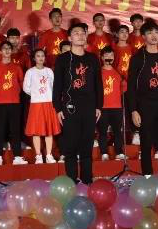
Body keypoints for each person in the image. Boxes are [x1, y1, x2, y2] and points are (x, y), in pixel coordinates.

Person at [53, 23, 103, 184]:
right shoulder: (62, 59)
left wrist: (99, 106)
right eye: (76, 33)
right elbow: (57, 86)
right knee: (71, 146)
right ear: (69, 38)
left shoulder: (92, 58)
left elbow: (98, 84)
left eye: (83, 33)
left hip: (89, 107)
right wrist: (58, 108)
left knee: (87, 146)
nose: (80, 36)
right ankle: (72, 181)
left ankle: (87, 180)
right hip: (69, 108)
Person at [126, 22, 158, 176]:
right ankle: (147, 176)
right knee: (146, 143)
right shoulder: (137, 59)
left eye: (156, 32)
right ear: (143, 36)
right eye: (149, 33)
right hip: (145, 106)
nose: (154, 35)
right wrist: (133, 110)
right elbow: (131, 87)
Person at [0, 41, 26, 165]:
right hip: (0, 103)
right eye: (4, 48)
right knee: (0, 130)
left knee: (15, 129)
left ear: (12, 50)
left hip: (15, 102)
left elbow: (22, 83)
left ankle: (17, 156)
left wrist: (15, 90)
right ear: (0, 51)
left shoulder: (17, 67)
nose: (7, 50)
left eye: (9, 48)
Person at [23, 49, 60, 164]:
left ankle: (49, 155)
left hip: (49, 103)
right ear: (34, 58)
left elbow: (54, 86)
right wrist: (35, 94)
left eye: (42, 56)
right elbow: (26, 88)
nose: (40, 58)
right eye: (38, 56)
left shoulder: (49, 71)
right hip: (36, 104)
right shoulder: (30, 72)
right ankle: (38, 155)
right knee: (36, 131)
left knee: (49, 130)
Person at [97, 46, 126, 161]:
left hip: (116, 107)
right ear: (102, 57)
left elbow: (123, 89)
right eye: (106, 55)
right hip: (103, 107)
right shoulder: (98, 73)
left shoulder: (118, 73)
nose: (109, 57)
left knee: (118, 131)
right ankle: (104, 153)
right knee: (102, 131)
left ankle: (119, 152)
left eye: (111, 55)